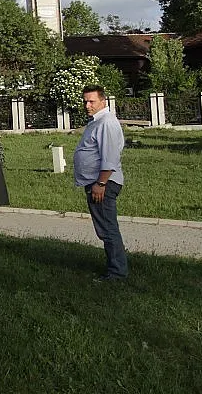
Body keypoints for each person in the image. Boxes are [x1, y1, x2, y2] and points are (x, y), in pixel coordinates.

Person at [74, 84, 127, 282]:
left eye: (92, 101)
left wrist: (101, 184)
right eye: (85, 101)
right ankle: (115, 268)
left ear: (103, 101)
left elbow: (110, 158)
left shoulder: (107, 123)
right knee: (105, 228)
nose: (87, 105)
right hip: (97, 182)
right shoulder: (97, 121)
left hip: (103, 183)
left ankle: (117, 273)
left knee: (108, 229)